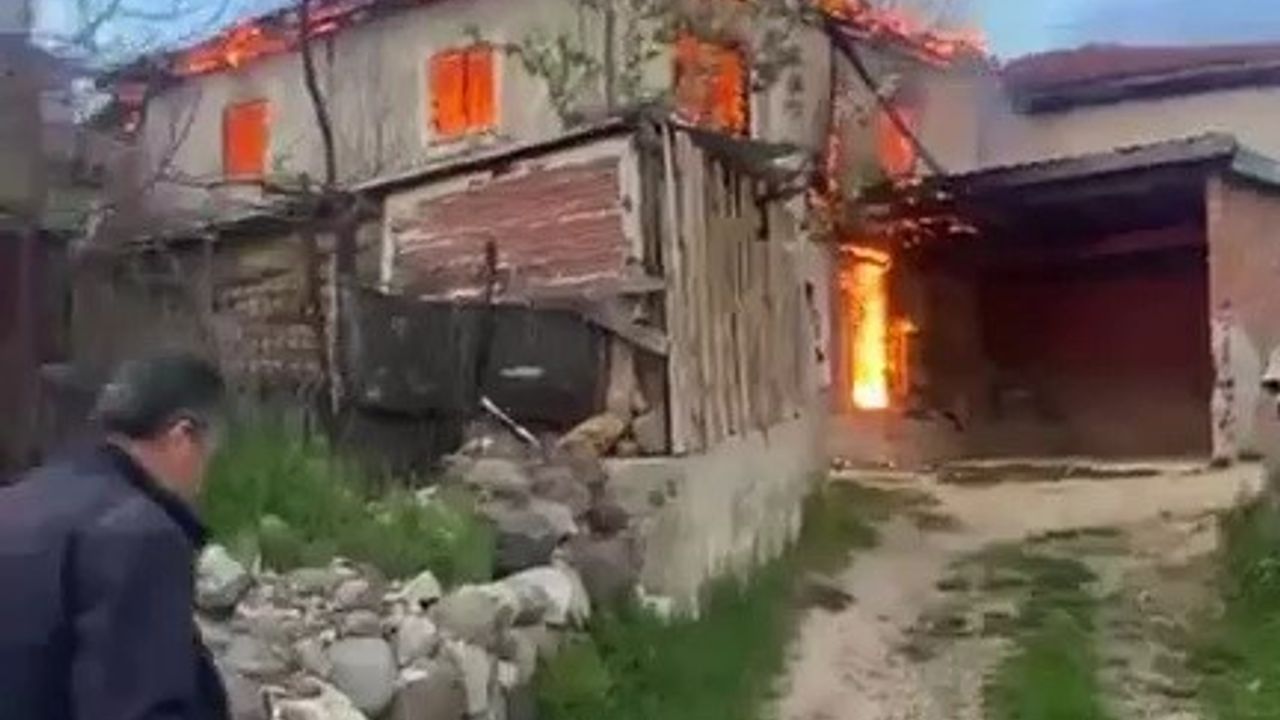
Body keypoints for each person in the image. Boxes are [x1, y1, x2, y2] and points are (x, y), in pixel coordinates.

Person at [0, 354, 230, 720]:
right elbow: (140, 706)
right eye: (210, 455)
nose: (203, 481)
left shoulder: (15, 503)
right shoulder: (139, 535)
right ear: (183, 436)